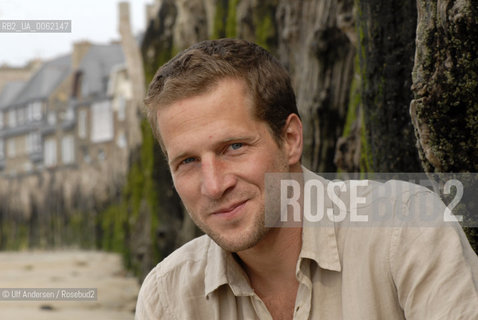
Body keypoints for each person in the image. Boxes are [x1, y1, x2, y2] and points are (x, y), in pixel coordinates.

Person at [135, 38, 478, 319]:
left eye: (234, 147)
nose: (214, 185)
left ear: (290, 140)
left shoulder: (407, 231)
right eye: (188, 161)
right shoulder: (168, 300)